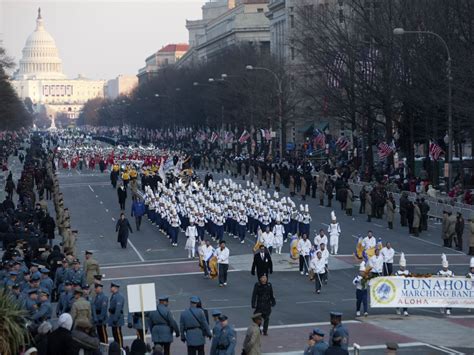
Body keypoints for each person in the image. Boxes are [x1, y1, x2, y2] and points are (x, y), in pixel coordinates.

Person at [108, 282, 125, 348]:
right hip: (113, 318)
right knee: (115, 334)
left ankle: (120, 348)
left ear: (115, 288)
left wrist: (115, 319)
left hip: (117, 319)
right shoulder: (114, 295)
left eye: (111, 287)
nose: (110, 288)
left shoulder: (119, 297)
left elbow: (118, 309)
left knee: (118, 335)